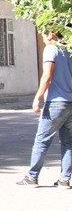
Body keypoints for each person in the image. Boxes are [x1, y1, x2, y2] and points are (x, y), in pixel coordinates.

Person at [16, 31, 72, 187]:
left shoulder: (51, 49)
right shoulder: (69, 49)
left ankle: (32, 177)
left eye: (44, 34)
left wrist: (37, 97)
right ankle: (64, 180)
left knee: (42, 141)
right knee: (68, 142)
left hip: (55, 103)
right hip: (70, 102)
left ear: (52, 35)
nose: (42, 37)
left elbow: (47, 76)